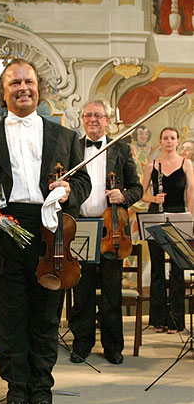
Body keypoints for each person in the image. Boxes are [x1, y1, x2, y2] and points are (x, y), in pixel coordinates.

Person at [0, 58, 91, 404]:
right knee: (8, 317)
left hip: (49, 232)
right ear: (2, 92)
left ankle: (42, 392)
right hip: (4, 229)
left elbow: (83, 184)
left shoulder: (66, 137)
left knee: (45, 315)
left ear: (39, 88)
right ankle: (16, 392)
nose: (23, 88)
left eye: (29, 81)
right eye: (14, 83)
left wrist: (69, 188)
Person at [68, 99, 143, 365]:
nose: (93, 120)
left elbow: (137, 189)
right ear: (83, 119)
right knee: (83, 290)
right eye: (88, 115)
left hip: (112, 230)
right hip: (82, 226)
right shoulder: (73, 148)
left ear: (107, 120)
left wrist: (122, 196)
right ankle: (82, 343)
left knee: (112, 292)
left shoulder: (121, 149)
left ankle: (113, 346)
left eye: (98, 115)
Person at [142, 127, 194, 333]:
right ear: (160, 141)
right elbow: (140, 193)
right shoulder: (151, 165)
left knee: (177, 270)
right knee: (157, 269)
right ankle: (158, 320)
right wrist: (154, 198)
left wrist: (190, 219)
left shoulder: (186, 163)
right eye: (165, 138)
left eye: (173, 138)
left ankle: (175, 321)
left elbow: (190, 193)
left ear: (178, 141)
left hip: (179, 216)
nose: (169, 141)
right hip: (156, 216)